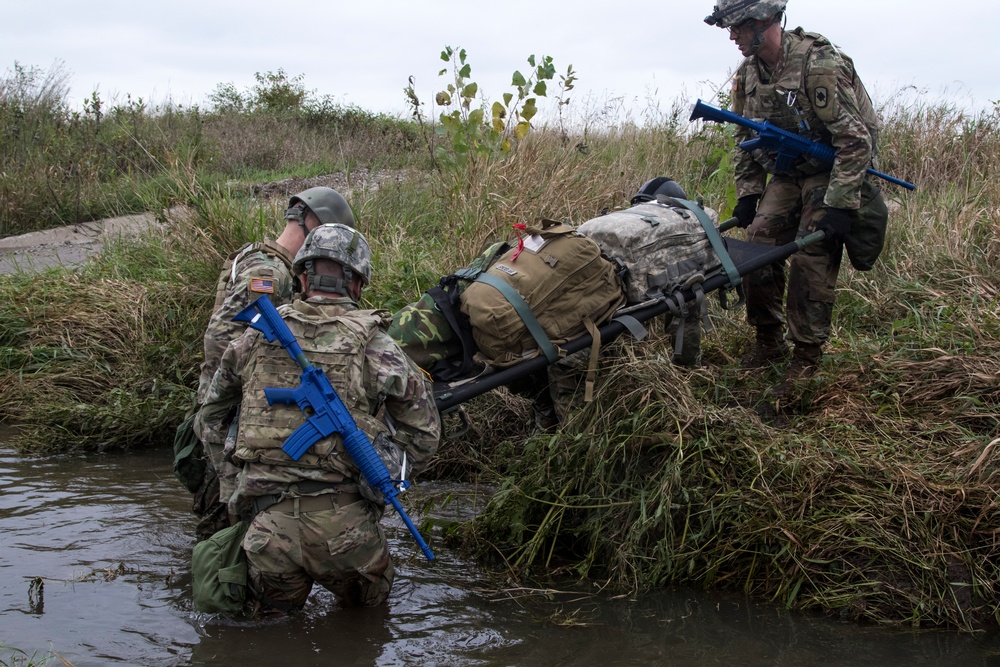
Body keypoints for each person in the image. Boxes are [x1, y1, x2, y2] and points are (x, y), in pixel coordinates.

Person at [195, 223, 442, 612]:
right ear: (358, 283)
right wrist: (379, 476)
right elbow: (424, 434)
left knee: (270, 635)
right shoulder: (379, 346)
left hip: (266, 531)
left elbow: (209, 415)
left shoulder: (252, 339)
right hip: (347, 532)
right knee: (367, 625)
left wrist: (233, 483)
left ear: (303, 276)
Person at [705, 0, 889, 396]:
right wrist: (749, 195)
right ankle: (767, 341)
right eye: (730, 29)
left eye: (739, 27)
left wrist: (839, 205)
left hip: (834, 167)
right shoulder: (747, 76)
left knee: (811, 251)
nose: (733, 37)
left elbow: (856, 142)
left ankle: (806, 357)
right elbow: (745, 140)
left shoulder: (818, 64)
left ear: (766, 21)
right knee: (756, 246)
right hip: (788, 172)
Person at [187, 187, 356, 539]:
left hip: (223, 407)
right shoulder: (271, 272)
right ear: (313, 223)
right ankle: (220, 584)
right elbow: (220, 340)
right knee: (227, 523)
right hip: (228, 413)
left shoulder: (253, 255)